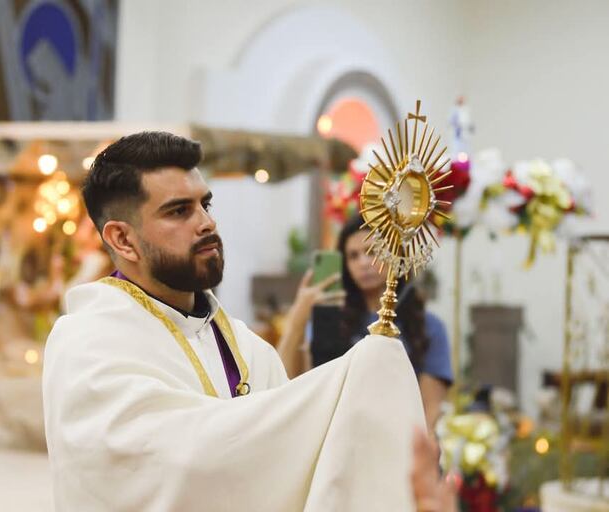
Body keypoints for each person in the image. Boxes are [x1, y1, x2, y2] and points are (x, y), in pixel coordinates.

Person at [43, 131, 453, 510]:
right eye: (178, 211)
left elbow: (300, 467)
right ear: (122, 239)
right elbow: (168, 466)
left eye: (205, 203)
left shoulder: (247, 349)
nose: (206, 222)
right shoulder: (87, 342)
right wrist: (353, 375)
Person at [277, 216, 453, 431]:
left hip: (402, 443)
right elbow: (286, 384)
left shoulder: (429, 326)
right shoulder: (331, 319)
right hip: (336, 438)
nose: (363, 262)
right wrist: (298, 317)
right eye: (353, 256)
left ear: (394, 253)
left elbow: (430, 410)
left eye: (372, 251)